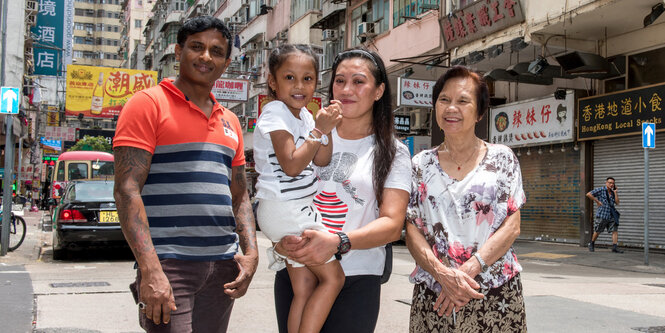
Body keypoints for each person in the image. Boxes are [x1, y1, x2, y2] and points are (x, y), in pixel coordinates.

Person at [113, 16, 258, 332]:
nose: (206, 57)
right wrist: (151, 270)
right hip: (169, 266)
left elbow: (240, 194)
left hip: (222, 266)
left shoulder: (230, 121)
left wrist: (251, 253)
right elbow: (126, 190)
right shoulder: (147, 105)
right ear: (178, 52)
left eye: (216, 51)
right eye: (197, 47)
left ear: (226, 62)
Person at [273, 48, 412, 333]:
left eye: (358, 81)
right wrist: (279, 239)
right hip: (295, 270)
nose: (347, 90)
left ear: (378, 91)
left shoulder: (392, 152)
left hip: (356, 278)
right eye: (339, 81)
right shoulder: (306, 135)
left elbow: (391, 224)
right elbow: (276, 192)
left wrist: (338, 242)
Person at [406, 66, 527, 332]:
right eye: (444, 100)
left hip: (495, 292)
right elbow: (412, 227)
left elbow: (512, 224)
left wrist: (468, 271)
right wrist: (443, 275)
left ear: (479, 112)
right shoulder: (419, 164)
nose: (451, 108)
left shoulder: (502, 158)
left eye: (463, 101)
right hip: (436, 293)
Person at [253, 44, 344, 333]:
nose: (299, 86)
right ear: (273, 81)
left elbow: (322, 159)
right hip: (287, 207)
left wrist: (323, 130)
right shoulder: (275, 112)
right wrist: (318, 131)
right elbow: (292, 165)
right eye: (289, 77)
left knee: (304, 288)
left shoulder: (305, 115)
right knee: (334, 279)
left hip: (289, 207)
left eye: (307, 79)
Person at [586, 177, 623, 253]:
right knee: (598, 230)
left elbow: (617, 202)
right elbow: (588, 194)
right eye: (610, 183)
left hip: (611, 215)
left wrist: (615, 192)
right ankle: (592, 243)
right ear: (606, 183)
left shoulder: (613, 193)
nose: (611, 184)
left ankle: (614, 247)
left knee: (614, 230)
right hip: (602, 214)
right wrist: (597, 201)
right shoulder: (601, 190)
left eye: (613, 183)